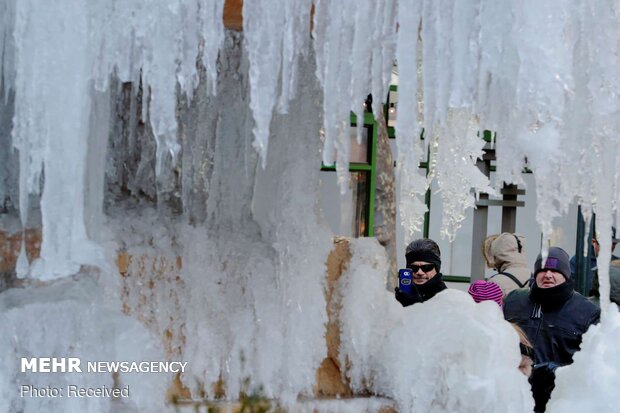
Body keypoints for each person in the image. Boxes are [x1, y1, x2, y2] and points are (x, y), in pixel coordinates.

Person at [504, 247, 600, 412]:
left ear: (566, 275)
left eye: (555, 270)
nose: (548, 275)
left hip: (557, 401)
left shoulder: (587, 312)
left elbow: (594, 365)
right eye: (543, 270)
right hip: (513, 396)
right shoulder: (514, 300)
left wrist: (554, 371)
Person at [394, 238, 447, 307]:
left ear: (437, 269)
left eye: (426, 267)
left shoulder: (447, 298)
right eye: (414, 268)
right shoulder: (399, 296)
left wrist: (415, 305)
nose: (419, 272)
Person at [569, 226, 619, 294]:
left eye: (613, 244)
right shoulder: (579, 261)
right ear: (593, 242)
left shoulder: (617, 263)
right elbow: (571, 289)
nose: (610, 248)